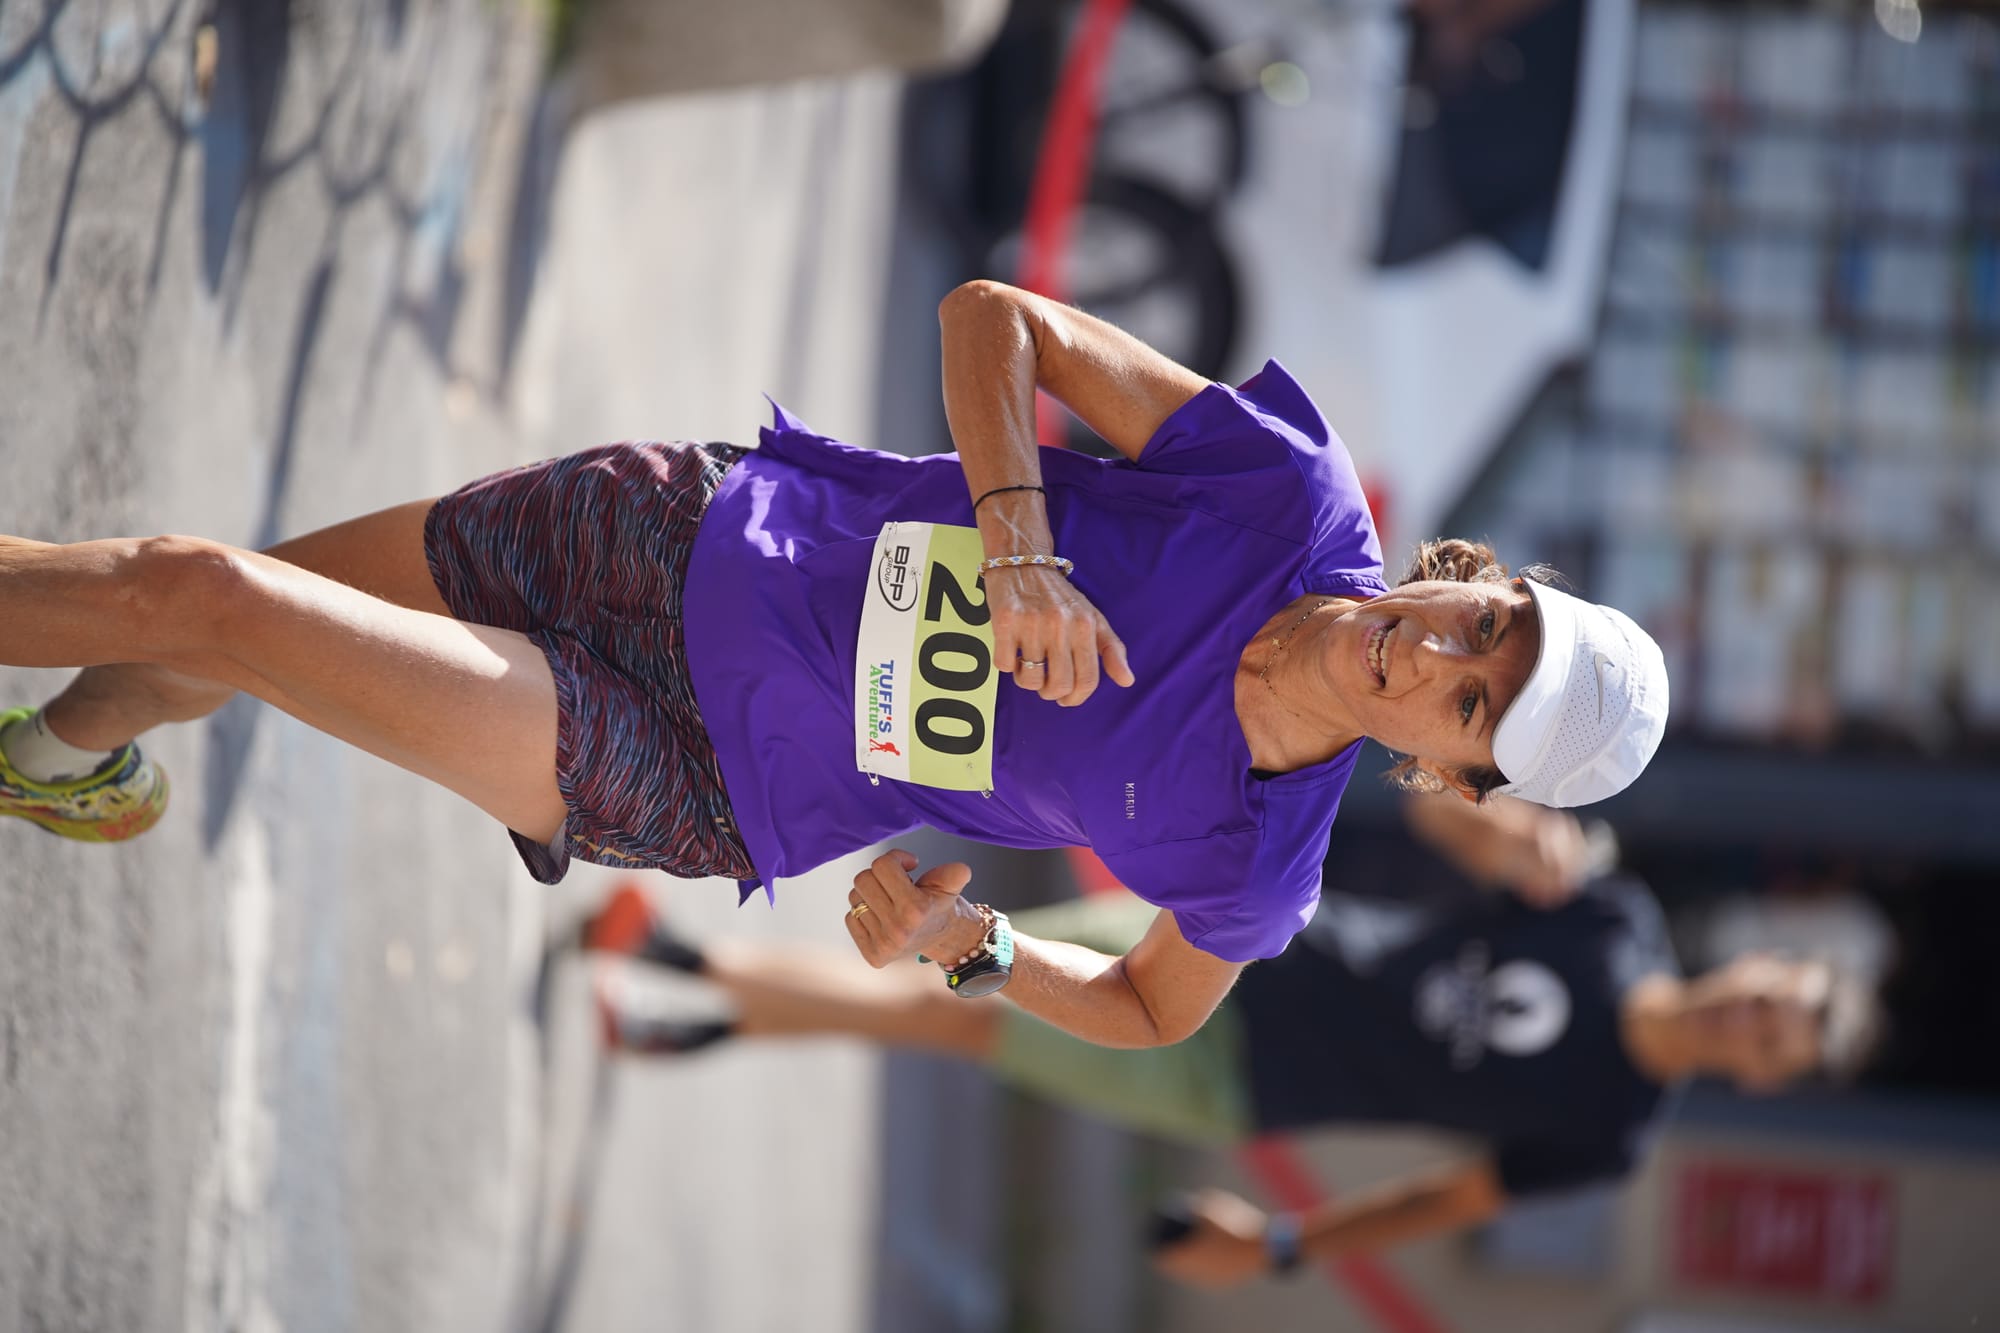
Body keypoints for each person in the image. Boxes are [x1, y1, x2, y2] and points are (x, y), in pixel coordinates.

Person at [0, 280, 1667, 1048]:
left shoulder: (1259, 864)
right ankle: (63, 754)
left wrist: (975, 945)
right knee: (200, 614)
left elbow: (1158, 1006)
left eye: (1471, 700)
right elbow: (991, 318)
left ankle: (80, 727)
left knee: (204, 596)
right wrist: (1018, 542)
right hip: (685, 531)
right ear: (1487, 580)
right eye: (1491, 621)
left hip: (708, 772)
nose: (1441, 650)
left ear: (1449, 773)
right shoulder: (1283, 497)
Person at [577, 795, 1879, 1284]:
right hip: (1237, 939)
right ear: (1758, 956)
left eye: (1773, 1040)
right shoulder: (1612, 913)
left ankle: (686, 968)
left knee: (953, 999)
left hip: (1224, 1065)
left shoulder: (1610, 1132)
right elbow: (1445, 827)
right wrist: (1504, 821)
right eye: (1772, 992)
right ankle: (695, 1012)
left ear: (1763, 1078)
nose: (1751, 1015)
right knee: (949, 996)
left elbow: (1452, 1194)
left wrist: (1286, 1246)